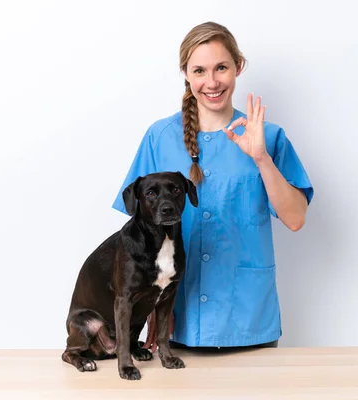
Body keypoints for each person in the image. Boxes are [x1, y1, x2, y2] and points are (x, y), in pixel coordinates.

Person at [112, 21, 314, 352]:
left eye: (221, 67)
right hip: (174, 324)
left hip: (248, 318)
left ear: (239, 67)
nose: (212, 81)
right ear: (186, 74)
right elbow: (137, 231)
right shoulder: (159, 137)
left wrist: (261, 158)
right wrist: (149, 303)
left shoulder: (270, 137)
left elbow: (295, 219)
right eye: (200, 70)